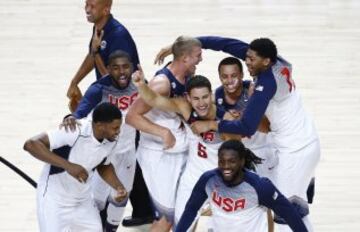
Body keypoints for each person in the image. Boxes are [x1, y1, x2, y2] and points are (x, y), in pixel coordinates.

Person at [178, 36, 320, 231]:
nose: (247, 61)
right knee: (291, 209)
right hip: (302, 138)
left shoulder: (267, 83)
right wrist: (194, 42)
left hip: (295, 150)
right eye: (248, 57)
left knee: (287, 215)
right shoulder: (274, 61)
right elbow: (227, 45)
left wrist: (212, 124)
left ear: (266, 61)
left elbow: (247, 127)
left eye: (251, 59)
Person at [62, 50, 152, 231]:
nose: (122, 72)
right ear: (108, 70)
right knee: (97, 200)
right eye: (116, 68)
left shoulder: (140, 85)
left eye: (126, 67)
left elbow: (156, 102)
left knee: (121, 197)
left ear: (133, 68)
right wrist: (71, 116)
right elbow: (82, 109)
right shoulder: (99, 88)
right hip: (103, 154)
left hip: (128, 152)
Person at [126, 36, 202, 227]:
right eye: (197, 56)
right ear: (184, 58)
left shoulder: (186, 74)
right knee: (166, 218)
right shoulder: (162, 84)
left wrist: (172, 48)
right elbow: (132, 116)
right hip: (158, 154)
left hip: (176, 152)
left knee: (185, 213)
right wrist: (162, 132)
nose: (200, 59)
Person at [23, 103, 127, 232]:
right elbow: (31, 144)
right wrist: (69, 166)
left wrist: (118, 186)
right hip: (55, 200)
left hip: (83, 200)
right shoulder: (74, 131)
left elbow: (104, 165)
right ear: (100, 125)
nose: (118, 131)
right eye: (115, 128)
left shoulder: (111, 139)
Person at [176, 140, 308, 232]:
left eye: (232, 161)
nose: (226, 166)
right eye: (222, 161)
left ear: (242, 161)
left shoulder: (260, 187)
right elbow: (191, 209)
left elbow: (289, 213)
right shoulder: (208, 180)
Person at [67, 0, 139, 111]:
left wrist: (96, 52)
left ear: (106, 10)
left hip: (125, 101)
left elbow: (115, 80)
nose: (87, 10)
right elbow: (92, 55)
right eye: (86, 4)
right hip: (109, 96)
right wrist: (75, 81)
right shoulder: (99, 27)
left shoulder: (118, 36)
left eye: (92, 6)